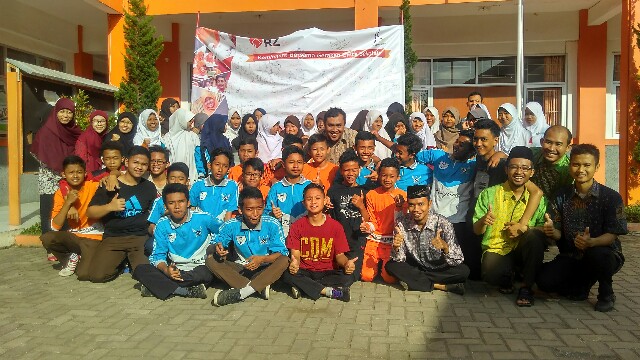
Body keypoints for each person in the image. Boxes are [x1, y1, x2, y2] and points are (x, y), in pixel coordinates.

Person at [537, 144, 627, 312]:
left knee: (599, 254)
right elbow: (558, 233)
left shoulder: (610, 197)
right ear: (570, 165)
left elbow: (613, 234)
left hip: (604, 254)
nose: (581, 170)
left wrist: (592, 242)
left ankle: (606, 293)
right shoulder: (561, 196)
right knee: (544, 282)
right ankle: (581, 285)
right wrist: (552, 231)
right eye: (576, 164)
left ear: (596, 167)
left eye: (587, 165)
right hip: (571, 255)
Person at [472, 146, 548, 307]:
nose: (519, 172)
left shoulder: (537, 199)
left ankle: (527, 287)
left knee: (534, 237)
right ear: (506, 169)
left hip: (523, 248)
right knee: (491, 274)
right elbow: (476, 230)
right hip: (498, 248)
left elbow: (544, 231)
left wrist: (523, 228)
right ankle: (508, 278)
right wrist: (483, 221)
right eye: (513, 167)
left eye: (525, 168)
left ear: (532, 172)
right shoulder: (490, 194)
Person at [208, 187, 290, 306]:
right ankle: (259, 287)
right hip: (242, 269)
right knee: (210, 260)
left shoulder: (272, 224)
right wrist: (218, 248)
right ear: (240, 210)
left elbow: (281, 252)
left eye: (259, 208)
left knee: (284, 259)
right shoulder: (231, 224)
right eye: (250, 209)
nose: (255, 214)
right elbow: (217, 243)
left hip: (265, 268)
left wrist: (262, 259)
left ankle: (243, 293)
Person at [86, 146, 157, 282]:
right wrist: (109, 207)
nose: (139, 167)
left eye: (144, 164)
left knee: (144, 275)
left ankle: (132, 263)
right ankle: (121, 264)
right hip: (114, 238)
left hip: (139, 238)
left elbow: (152, 214)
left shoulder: (149, 187)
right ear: (126, 162)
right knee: (97, 276)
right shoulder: (109, 184)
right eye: (135, 162)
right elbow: (90, 212)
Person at [133, 183, 216, 300]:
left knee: (205, 274)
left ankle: (158, 287)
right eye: (171, 203)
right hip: (175, 269)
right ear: (166, 206)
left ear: (188, 203)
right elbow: (158, 256)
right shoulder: (162, 224)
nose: (177, 206)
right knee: (140, 270)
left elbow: (224, 232)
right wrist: (166, 270)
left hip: (199, 267)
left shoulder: (204, 218)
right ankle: (185, 291)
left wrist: (216, 246)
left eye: (181, 201)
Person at [386, 185, 469, 294]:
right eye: (411, 205)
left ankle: (416, 281)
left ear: (429, 204)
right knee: (391, 266)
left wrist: (446, 247)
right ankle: (440, 286)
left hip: (438, 268)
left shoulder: (443, 223)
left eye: (421, 204)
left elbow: (458, 259)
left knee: (463, 271)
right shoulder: (401, 223)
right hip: (415, 265)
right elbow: (400, 259)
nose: (416, 210)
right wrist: (396, 248)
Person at [282, 183, 356, 301]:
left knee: (349, 276)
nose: (313, 202)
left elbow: (340, 256)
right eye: (309, 199)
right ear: (303, 203)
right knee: (287, 275)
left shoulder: (335, 226)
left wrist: (347, 264)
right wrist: (294, 264)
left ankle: (304, 287)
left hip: (328, 272)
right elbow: (295, 254)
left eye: (317, 198)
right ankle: (330, 291)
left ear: (325, 200)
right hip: (305, 270)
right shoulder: (297, 226)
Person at [40, 156, 103, 279]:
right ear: (64, 174)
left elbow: (111, 173)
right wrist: (68, 203)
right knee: (48, 238)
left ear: (85, 173)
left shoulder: (93, 186)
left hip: (94, 236)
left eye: (79, 172)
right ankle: (70, 258)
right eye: (71, 172)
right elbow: (54, 227)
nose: (75, 176)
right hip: (74, 235)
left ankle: (80, 259)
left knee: (84, 273)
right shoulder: (60, 193)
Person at [31, 98, 81, 241]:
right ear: (55, 112)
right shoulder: (46, 132)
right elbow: (38, 155)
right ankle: (50, 246)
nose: (65, 116)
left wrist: (70, 176)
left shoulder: (74, 131)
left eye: (69, 112)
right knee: (49, 211)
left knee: (68, 211)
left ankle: (66, 245)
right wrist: (60, 174)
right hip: (50, 179)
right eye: (62, 112)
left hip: (70, 178)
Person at [360, 158, 406, 283]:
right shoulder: (371, 195)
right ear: (379, 175)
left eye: (391, 176)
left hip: (392, 241)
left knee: (389, 279)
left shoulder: (402, 196)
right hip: (374, 240)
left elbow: (403, 221)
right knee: (366, 276)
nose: (387, 179)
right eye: (384, 175)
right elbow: (372, 220)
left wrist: (400, 206)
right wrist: (368, 227)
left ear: (398, 177)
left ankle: (384, 267)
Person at [327, 149, 370, 280]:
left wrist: (361, 206)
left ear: (359, 170)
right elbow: (328, 215)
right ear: (341, 171)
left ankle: (337, 286)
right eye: (346, 170)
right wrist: (325, 205)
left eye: (354, 170)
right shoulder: (334, 190)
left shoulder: (364, 191)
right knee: (334, 268)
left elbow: (368, 220)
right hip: (339, 240)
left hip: (357, 240)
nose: (350, 173)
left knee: (353, 274)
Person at [146, 162, 191, 255]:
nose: (176, 181)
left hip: (190, 237)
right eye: (172, 178)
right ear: (167, 180)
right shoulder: (159, 201)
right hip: (166, 237)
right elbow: (151, 226)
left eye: (181, 179)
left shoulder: (192, 199)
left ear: (187, 182)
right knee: (150, 245)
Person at [265, 146, 311, 236]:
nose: (296, 166)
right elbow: (267, 212)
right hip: (282, 235)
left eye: (299, 162)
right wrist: (272, 214)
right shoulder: (276, 188)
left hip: (305, 234)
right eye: (291, 162)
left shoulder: (309, 186)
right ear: (283, 164)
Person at [189, 148, 238, 232]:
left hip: (221, 231)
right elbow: (192, 210)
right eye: (217, 164)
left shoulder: (232, 186)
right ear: (209, 165)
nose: (220, 169)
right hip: (200, 231)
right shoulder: (198, 185)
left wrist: (224, 235)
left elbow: (228, 214)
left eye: (225, 166)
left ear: (229, 169)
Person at [530, 125, 574, 200]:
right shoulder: (531, 155)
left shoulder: (570, 168)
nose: (551, 148)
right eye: (548, 142)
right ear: (541, 142)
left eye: (558, 144)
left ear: (567, 148)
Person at [162, 108, 203, 183]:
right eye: (189, 121)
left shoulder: (193, 136)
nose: (191, 123)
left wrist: (201, 172)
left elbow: (198, 155)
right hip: (172, 175)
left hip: (191, 174)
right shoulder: (167, 138)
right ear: (181, 120)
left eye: (192, 121)